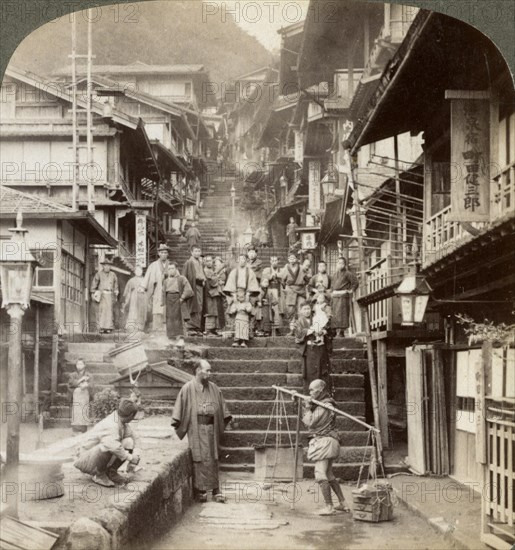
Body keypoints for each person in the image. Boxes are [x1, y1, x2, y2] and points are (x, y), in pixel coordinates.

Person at [171, 359, 232, 503]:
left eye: (210, 370)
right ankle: (201, 490)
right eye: (207, 370)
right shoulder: (187, 388)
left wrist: (222, 420)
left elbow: (223, 409)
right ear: (198, 371)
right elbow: (179, 409)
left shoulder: (214, 388)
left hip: (212, 428)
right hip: (196, 428)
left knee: (213, 457)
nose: (210, 373)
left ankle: (216, 489)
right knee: (198, 458)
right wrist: (178, 422)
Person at [302, 379, 350, 515]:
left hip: (324, 441)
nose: (310, 392)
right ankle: (343, 503)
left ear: (321, 390)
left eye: (312, 390)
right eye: (309, 390)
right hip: (329, 440)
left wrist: (306, 406)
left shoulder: (324, 405)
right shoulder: (322, 404)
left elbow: (309, 422)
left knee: (319, 473)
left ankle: (329, 507)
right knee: (329, 474)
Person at [74, 398, 141, 487]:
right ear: (131, 415)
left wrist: (136, 455)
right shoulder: (111, 424)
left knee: (128, 441)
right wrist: (130, 458)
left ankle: (111, 472)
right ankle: (99, 474)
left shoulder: (120, 420)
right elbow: (113, 446)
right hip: (84, 458)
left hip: (93, 454)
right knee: (108, 446)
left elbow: (134, 437)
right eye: (134, 416)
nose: (133, 418)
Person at [294, 303, 332, 392]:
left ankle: (323, 393)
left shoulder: (317, 318)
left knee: (322, 370)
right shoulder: (298, 322)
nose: (307, 311)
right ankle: (309, 394)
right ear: (301, 311)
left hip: (320, 349)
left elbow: (328, 329)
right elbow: (298, 334)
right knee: (310, 372)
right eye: (304, 309)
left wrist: (323, 331)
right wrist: (310, 330)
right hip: (309, 350)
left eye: (308, 309)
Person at [140, 244, 170, 332]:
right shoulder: (153, 265)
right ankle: (156, 328)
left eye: (165, 253)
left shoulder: (171, 264)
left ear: (167, 254)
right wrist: (143, 287)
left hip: (168, 290)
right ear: (158, 254)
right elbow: (147, 277)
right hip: (157, 290)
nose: (164, 254)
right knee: (157, 308)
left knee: (167, 309)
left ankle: (166, 328)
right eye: (162, 253)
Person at [162, 262, 194, 341]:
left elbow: (188, 290)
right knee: (169, 318)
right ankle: (171, 337)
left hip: (178, 299)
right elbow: (163, 292)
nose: (170, 270)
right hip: (168, 299)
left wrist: (182, 298)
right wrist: (163, 303)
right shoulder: (165, 281)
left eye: (172, 268)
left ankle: (180, 337)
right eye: (169, 269)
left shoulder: (182, 278)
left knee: (178, 318)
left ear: (176, 269)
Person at [280, 253, 309, 333]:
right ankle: (292, 330)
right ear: (288, 259)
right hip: (290, 290)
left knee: (301, 309)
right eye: (290, 258)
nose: (292, 259)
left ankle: (302, 329)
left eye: (294, 258)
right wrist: (286, 288)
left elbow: (307, 279)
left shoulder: (302, 268)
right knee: (290, 310)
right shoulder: (286, 268)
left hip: (300, 289)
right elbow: (282, 280)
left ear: (296, 259)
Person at [331, 257, 359, 336]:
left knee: (343, 315)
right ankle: (335, 331)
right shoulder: (334, 274)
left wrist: (351, 290)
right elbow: (332, 286)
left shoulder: (348, 273)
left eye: (342, 263)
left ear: (345, 264)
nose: (340, 265)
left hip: (343, 296)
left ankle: (342, 331)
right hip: (335, 296)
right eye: (339, 263)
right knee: (335, 314)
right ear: (337, 264)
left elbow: (355, 283)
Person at [182, 245, 206, 335]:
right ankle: (190, 327)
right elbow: (184, 276)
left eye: (199, 251)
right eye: (195, 251)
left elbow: (202, 274)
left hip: (200, 286)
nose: (197, 253)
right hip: (192, 286)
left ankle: (197, 328)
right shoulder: (189, 262)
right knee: (193, 306)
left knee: (199, 306)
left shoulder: (200, 262)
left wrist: (203, 280)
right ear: (191, 252)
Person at [90, 259, 119, 333]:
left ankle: (109, 327)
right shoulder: (99, 274)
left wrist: (116, 291)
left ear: (110, 266)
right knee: (102, 311)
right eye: (105, 265)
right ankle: (101, 327)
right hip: (102, 295)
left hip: (110, 295)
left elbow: (116, 285)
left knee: (110, 311)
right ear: (103, 266)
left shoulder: (113, 274)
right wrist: (93, 293)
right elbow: (94, 284)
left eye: (109, 265)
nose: (107, 267)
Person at [68, 358, 95, 434]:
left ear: (84, 365)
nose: (79, 366)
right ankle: (76, 430)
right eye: (77, 364)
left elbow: (92, 384)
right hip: (76, 395)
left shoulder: (89, 375)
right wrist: (81, 380)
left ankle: (83, 429)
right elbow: (71, 383)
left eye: (81, 364)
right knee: (77, 410)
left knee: (84, 410)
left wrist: (87, 385)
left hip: (85, 395)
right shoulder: (72, 375)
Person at [203, 255, 225, 335]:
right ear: (204, 262)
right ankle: (209, 329)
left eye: (210, 261)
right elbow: (212, 281)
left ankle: (214, 329)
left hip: (214, 293)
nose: (209, 262)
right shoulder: (206, 270)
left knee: (216, 311)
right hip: (209, 293)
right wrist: (218, 277)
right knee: (211, 311)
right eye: (207, 261)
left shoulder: (211, 270)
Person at [122, 266, 148, 333]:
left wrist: (144, 290)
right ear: (135, 271)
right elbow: (127, 291)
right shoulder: (131, 280)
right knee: (133, 311)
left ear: (142, 271)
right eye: (137, 270)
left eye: (140, 270)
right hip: (134, 298)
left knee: (141, 312)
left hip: (142, 298)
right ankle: (131, 327)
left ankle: (140, 327)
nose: (138, 272)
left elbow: (148, 289)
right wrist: (127, 299)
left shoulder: (145, 280)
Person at [262, 256, 284, 325]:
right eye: (272, 261)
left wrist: (277, 275)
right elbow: (263, 280)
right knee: (270, 310)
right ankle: (270, 327)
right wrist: (271, 276)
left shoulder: (282, 270)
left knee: (279, 309)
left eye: (275, 261)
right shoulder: (266, 270)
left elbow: (284, 278)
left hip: (279, 292)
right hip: (269, 292)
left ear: (278, 261)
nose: (274, 262)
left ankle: (279, 327)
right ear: (270, 262)